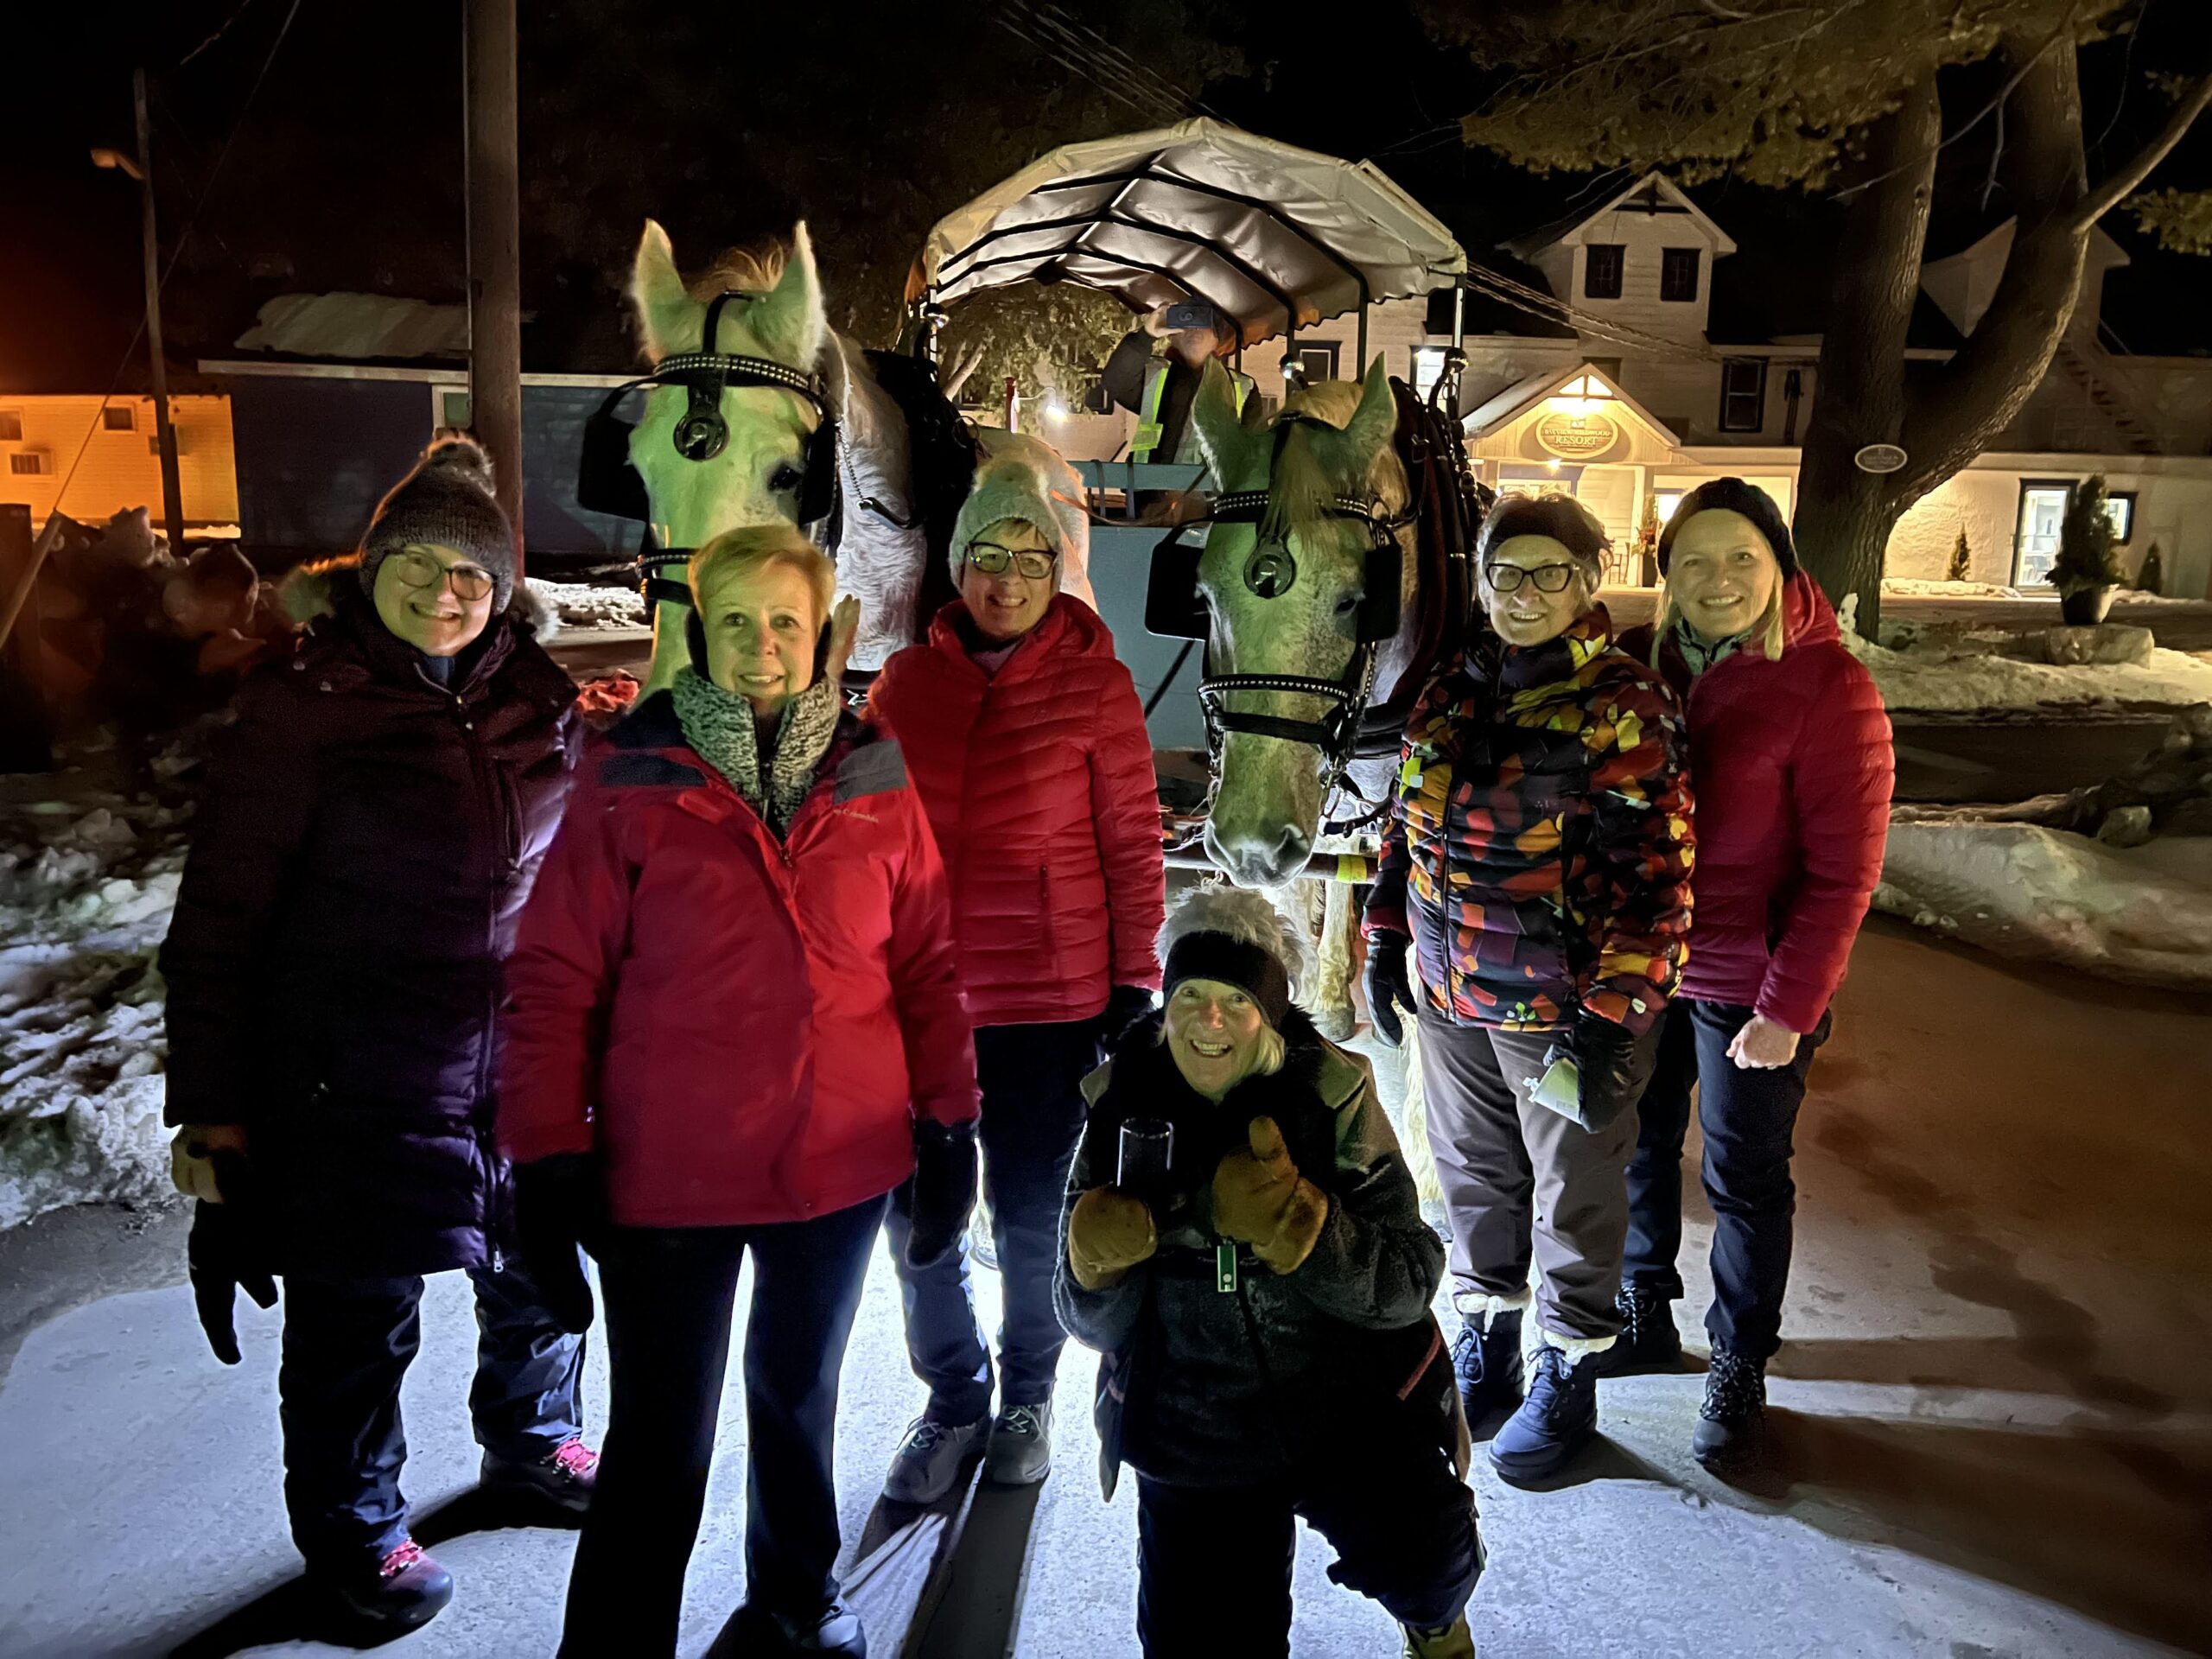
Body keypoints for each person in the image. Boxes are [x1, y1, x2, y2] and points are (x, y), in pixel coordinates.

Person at [498, 524, 982, 1659]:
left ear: (819, 634)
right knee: (662, 1436)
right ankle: (617, 1639)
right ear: (697, 635)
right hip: (671, 1175)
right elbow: (555, 973)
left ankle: (795, 1600)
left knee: (798, 1401)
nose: (761, 645)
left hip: (838, 1166)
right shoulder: (630, 777)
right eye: (735, 621)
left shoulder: (873, 769)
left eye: (784, 622)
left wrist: (951, 1116)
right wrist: (546, 1152)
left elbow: (923, 959)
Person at [160, 436, 596, 1633]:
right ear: (375, 570)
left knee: (538, 1276)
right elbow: (220, 916)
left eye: (474, 571)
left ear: (505, 588)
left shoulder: (537, 701)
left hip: (513, 1060)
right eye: (422, 564)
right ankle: (356, 1536)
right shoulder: (304, 707)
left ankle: (536, 1443)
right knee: (360, 1319)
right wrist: (214, 1107)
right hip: (349, 1072)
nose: (447, 589)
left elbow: (594, 864)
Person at [1056, 884, 1483, 1659]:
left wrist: (1309, 1231)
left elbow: (1414, 1276)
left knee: (1429, 1559)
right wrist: (1093, 1267)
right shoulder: (1119, 1104)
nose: (1209, 1020)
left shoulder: (1334, 1093)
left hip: (1345, 1403)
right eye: (1190, 996)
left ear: (1272, 1013)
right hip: (1193, 1425)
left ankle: (1438, 1630)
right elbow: (1086, 1323)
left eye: (1235, 1000)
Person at [1363, 492, 1694, 1482]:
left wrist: (1614, 1016)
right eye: (1507, 573)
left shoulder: (1622, 704)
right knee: (1472, 1179)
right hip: (1454, 994)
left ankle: (1570, 1368)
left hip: (1567, 1013)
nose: (1525, 593)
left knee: (1574, 1199)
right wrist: (1386, 936)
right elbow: (1404, 829)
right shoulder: (1449, 690)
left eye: (1551, 573)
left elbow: (1660, 874)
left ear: (1588, 582)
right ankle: (1493, 1340)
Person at [867, 435, 1166, 1503]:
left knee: (1037, 1213)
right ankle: (952, 1397)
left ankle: (1028, 1393)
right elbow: (864, 841)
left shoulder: (1097, 688)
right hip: (924, 1002)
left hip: (1051, 1002)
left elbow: (1132, 841)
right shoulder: (902, 687)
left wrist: (1135, 985)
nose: (1008, 581)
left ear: (1056, 572)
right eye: (988, 558)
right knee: (918, 1217)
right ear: (958, 569)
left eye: (1031, 560)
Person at [1609, 478, 1892, 1470]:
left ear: (1780, 567)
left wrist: (1788, 1007)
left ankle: (1739, 1360)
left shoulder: (1828, 687)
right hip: (1647, 968)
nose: (1716, 579)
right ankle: (1643, 1312)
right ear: (1666, 575)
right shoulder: (1642, 665)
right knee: (1637, 1152)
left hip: (1751, 985)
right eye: (1693, 560)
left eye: (1740, 558)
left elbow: (1844, 872)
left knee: (1742, 1176)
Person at [1102, 304, 1255, 466]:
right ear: (1171, 336)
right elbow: (1115, 382)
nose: (1194, 328)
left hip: (1212, 489)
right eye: (1185, 320)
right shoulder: (1153, 374)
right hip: (1152, 486)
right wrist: (1146, 336)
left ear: (1218, 339)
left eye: (1204, 321)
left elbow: (1256, 452)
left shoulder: (1243, 387)